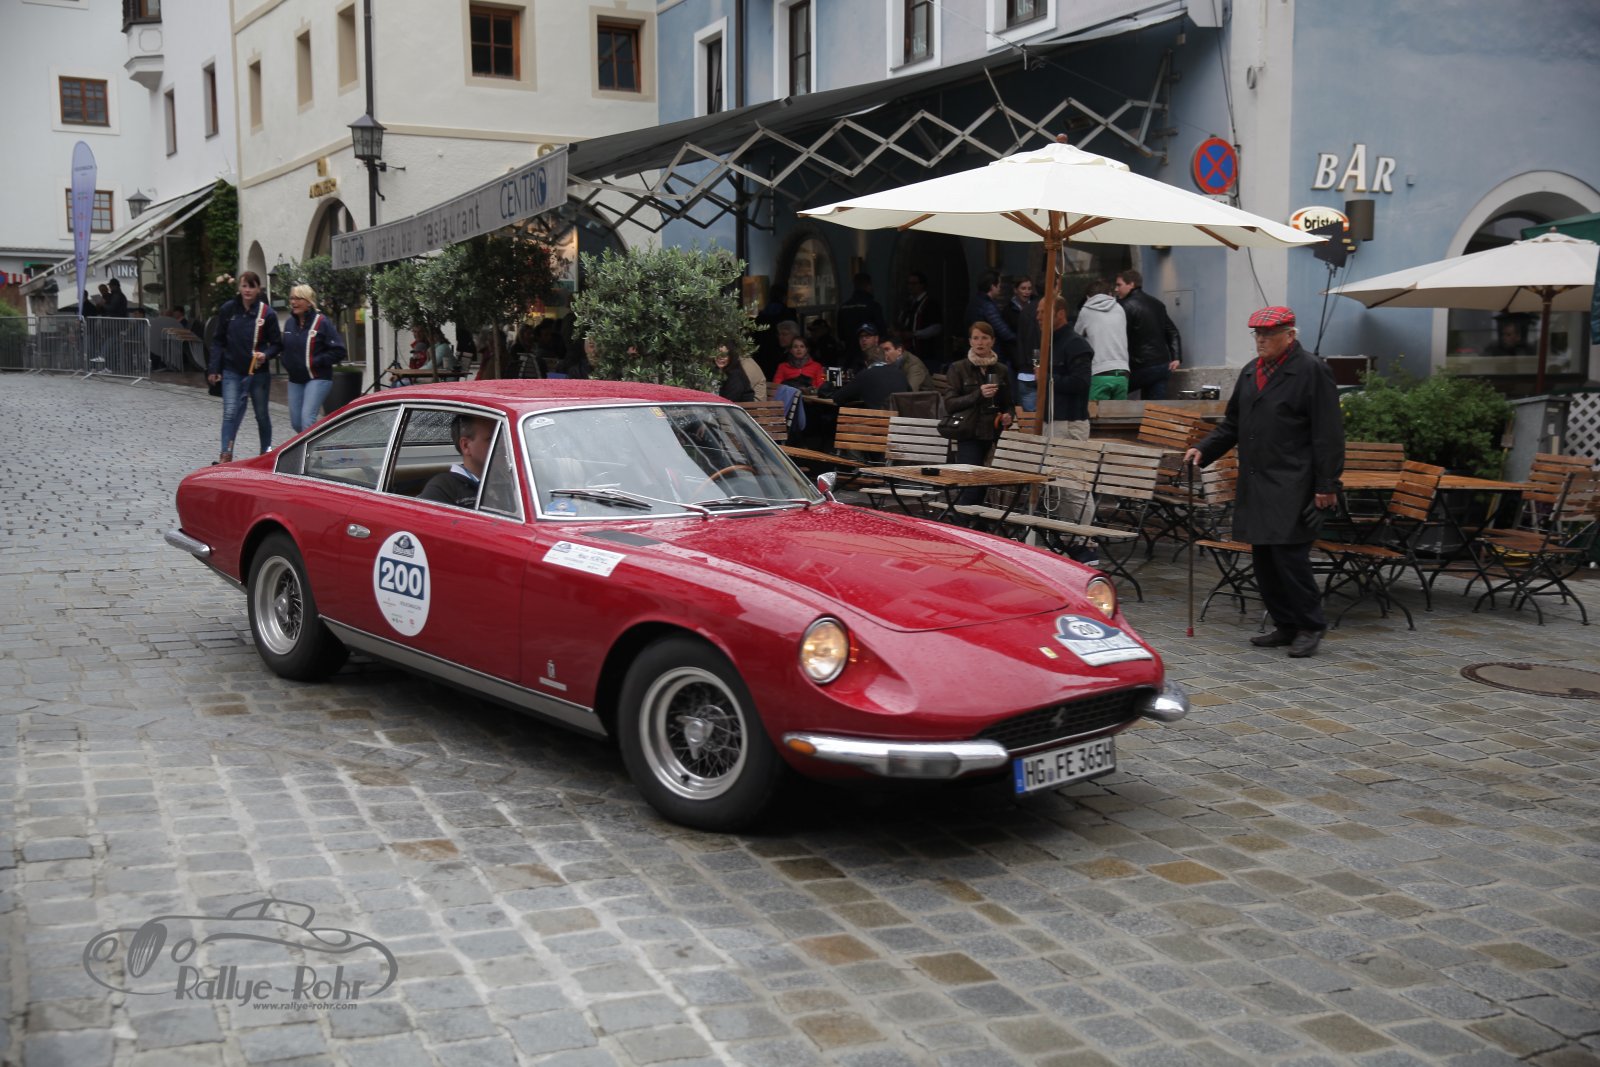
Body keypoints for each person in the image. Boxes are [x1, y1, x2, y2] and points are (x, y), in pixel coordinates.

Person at [1184, 306, 1344, 659]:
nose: (1261, 340)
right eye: (1257, 334)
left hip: (1294, 481)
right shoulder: (1249, 372)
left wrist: (1327, 485)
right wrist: (1204, 449)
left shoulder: (1312, 370)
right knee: (1264, 559)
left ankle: (1310, 625)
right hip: (1257, 482)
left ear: (1290, 335)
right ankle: (1285, 624)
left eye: (1269, 334)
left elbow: (1328, 433)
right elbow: (1232, 425)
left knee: (1289, 557)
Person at [208, 271, 281, 464]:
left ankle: (265, 453)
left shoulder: (267, 313)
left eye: (252, 286)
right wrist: (214, 369)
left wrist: (265, 355)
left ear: (258, 289)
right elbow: (218, 341)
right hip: (232, 370)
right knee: (230, 412)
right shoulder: (229, 309)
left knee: (261, 414)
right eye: (244, 286)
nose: (247, 290)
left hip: (258, 373)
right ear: (239, 288)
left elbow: (277, 344)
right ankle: (225, 455)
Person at [942, 321, 1018, 505]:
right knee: (971, 486)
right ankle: (963, 520)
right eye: (976, 338)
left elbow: (1008, 404)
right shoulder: (958, 368)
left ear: (992, 341)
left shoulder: (1001, 369)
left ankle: (977, 520)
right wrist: (978, 394)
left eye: (984, 338)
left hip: (993, 434)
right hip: (970, 433)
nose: (980, 342)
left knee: (986, 485)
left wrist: (1008, 416)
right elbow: (950, 404)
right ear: (970, 341)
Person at [280, 284, 347, 433]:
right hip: (296, 379)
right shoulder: (289, 323)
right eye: (292, 298)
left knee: (307, 420)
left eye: (298, 299)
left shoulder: (322, 322)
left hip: (318, 377)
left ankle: (309, 448)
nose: (293, 302)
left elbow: (339, 351)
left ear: (309, 302)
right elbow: (284, 348)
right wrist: (286, 361)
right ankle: (316, 442)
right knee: (296, 423)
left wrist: (315, 361)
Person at [1115, 270, 1182, 400]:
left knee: (1114, 395)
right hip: (1162, 365)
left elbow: (1120, 336)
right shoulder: (1157, 303)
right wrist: (1176, 357)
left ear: (1131, 284)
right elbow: (1172, 331)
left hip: (1139, 365)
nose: (1116, 289)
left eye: (1119, 285)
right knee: (1154, 408)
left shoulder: (1123, 306)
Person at [420, 414, 496, 508]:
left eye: (500, 437)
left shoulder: (506, 478)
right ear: (466, 446)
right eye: (491, 439)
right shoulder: (442, 488)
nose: (502, 444)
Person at [1076, 280, 1130, 400]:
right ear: (1109, 294)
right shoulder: (1119, 309)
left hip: (1099, 372)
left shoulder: (1086, 311)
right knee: (1119, 412)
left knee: (1096, 411)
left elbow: (1076, 339)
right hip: (1122, 372)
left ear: (1088, 297)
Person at [827, 337, 909, 410]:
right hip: (900, 420)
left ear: (866, 363)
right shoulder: (900, 374)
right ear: (885, 358)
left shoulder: (865, 375)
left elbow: (838, 397)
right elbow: (909, 393)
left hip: (878, 420)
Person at [966, 271, 1018, 368]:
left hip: (976, 348)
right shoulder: (987, 306)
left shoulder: (974, 301)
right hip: (989, 351)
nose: (999, 289)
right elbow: (1003, 331)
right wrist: (1019, 339)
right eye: (998, 285)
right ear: (992, 286)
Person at [1004, 276, 1040, 412]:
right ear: (1016, 290)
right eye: (1023, 288)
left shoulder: (1036, 308)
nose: (1027, 292)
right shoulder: (1009, 310)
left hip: (1032, 362)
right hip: (1018, 360)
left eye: (1029, 288)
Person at [896, 271, 944, 370]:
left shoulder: (930, 303)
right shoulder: (908, 303)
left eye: (914, 283)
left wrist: (914, 334)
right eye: (909, 283)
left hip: (926, 353)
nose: (910, 287)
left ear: (922, 285)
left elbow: (936, 328)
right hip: (908, 351)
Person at [754, 283, 799, 377]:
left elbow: (756, 337)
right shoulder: (787, 313)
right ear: (784, 296)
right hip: (780, 353)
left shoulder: (761, 315)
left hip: (763, 355)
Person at [836, 272, 884, 348]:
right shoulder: (873, 306)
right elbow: (881, 331)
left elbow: (841, 335)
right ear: (868, 286)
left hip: (850, 350)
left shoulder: (844, 307)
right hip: (869, 350)